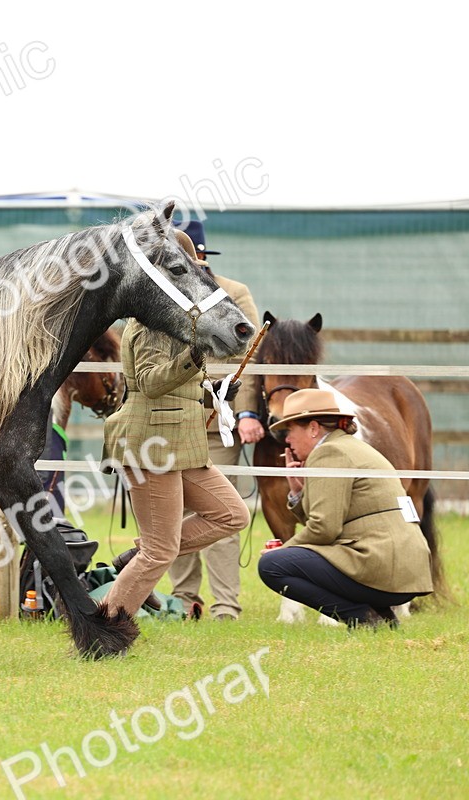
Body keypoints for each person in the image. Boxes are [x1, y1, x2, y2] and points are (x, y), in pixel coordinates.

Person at [100, 230, 251, 621]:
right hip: (152, 440)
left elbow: (178, 386)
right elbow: (149, 382)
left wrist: (214, 391)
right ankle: (106, 627)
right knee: (160, 551)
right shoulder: (155, 322)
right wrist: (195, 356)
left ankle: (138, 553)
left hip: (183, 442)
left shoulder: (183, 318)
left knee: (232, 515)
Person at [258, 389, 433, 627]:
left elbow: (324, 529)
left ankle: (362, 618)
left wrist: (282, 551)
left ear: (313, 428)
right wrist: (298, 492)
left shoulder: (328, 453)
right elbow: (330, 519)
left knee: (272, 566)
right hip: (403, 569)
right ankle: (383, 616)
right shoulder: (348, 447)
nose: (286, 440)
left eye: (290, 431)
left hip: (381, 565)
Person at [167, 220, 263, 621]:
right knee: (173, 514)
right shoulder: (160, 295)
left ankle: (226, 606)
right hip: (169, 422)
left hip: (214, 423)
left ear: (201, 255)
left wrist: (245, 411)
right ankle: (184, 599)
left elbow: (251, 352)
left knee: (222, 514)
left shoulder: (234, 292)